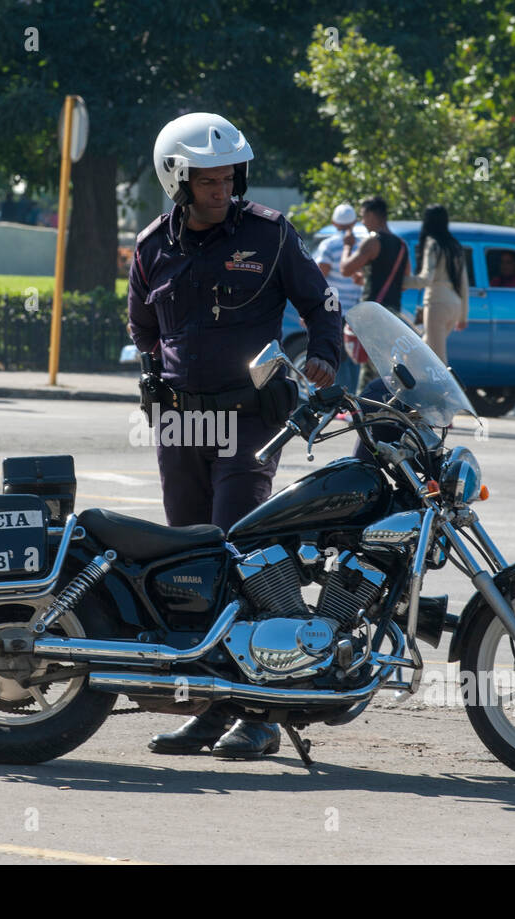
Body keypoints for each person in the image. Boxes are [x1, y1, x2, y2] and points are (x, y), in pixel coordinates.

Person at [129, 111, 341, 760]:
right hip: (180, 423)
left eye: (228, 178)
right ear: (178, 181)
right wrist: (152, 379)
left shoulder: (271, 235)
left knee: (243, 560)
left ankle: (259, 714)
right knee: (191, 569)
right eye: (207, 181)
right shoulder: (149, 246)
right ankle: (206, 707)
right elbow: (142, 326)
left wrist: (325, 351)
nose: (221, 190)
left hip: (250, 422)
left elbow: (320, 300)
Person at [403, 205, 468, 364]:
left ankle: (447, 389)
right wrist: (463, 316)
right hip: (455, 304)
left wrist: (400, 282)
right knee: (417, 354)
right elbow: (464, 282)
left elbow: (426, 279)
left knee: (438, 359)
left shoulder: (433, 244)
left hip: (437, 303)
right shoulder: (454, 245)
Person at [314, 203, 365, 388]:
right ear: (355, 222)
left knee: (340, 357)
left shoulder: (328, 245)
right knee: (356, 357)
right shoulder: (362, 244)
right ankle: (355, 401)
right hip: (357, 312)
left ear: (334, 222)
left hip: (335, 310)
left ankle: (343, 403)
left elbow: (319, 277)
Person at [341, 196, 409, 314]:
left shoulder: (372, 242)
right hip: (393, 314)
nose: (362, 222)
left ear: (371, 215)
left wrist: (347, 246)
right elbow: (403, 284)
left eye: (363, 216)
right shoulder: (402, 245)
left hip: (373, 314)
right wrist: (366, 280)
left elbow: (345, 269)